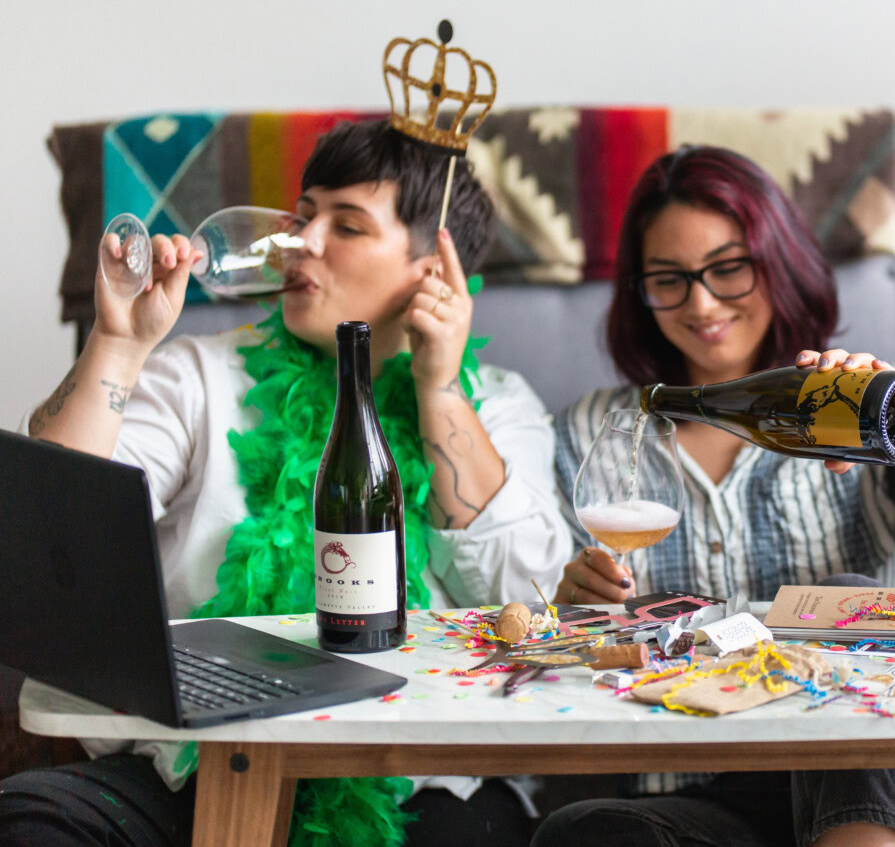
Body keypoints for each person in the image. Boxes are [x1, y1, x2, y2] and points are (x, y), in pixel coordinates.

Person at [1, 120, 571, 847]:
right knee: (38, 822)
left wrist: (439, 391)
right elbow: (53, 531)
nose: (305, 241)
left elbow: (535, 599)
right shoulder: (197, 376)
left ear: (435, 269)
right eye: (305, 216)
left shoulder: (496, 404)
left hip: (424, 779)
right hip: (194, 763)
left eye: (349, 225)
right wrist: (117, 345)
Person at [533, 145, 895, 847]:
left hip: (890, 775)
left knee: (848, 594)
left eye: (728, 268)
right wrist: (576, 618)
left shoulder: (888, 395)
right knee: (584, 832)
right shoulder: (586, 432)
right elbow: (552, 643)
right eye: (668, 279)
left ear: (778, 262)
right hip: (697, 793)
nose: (702, 303)